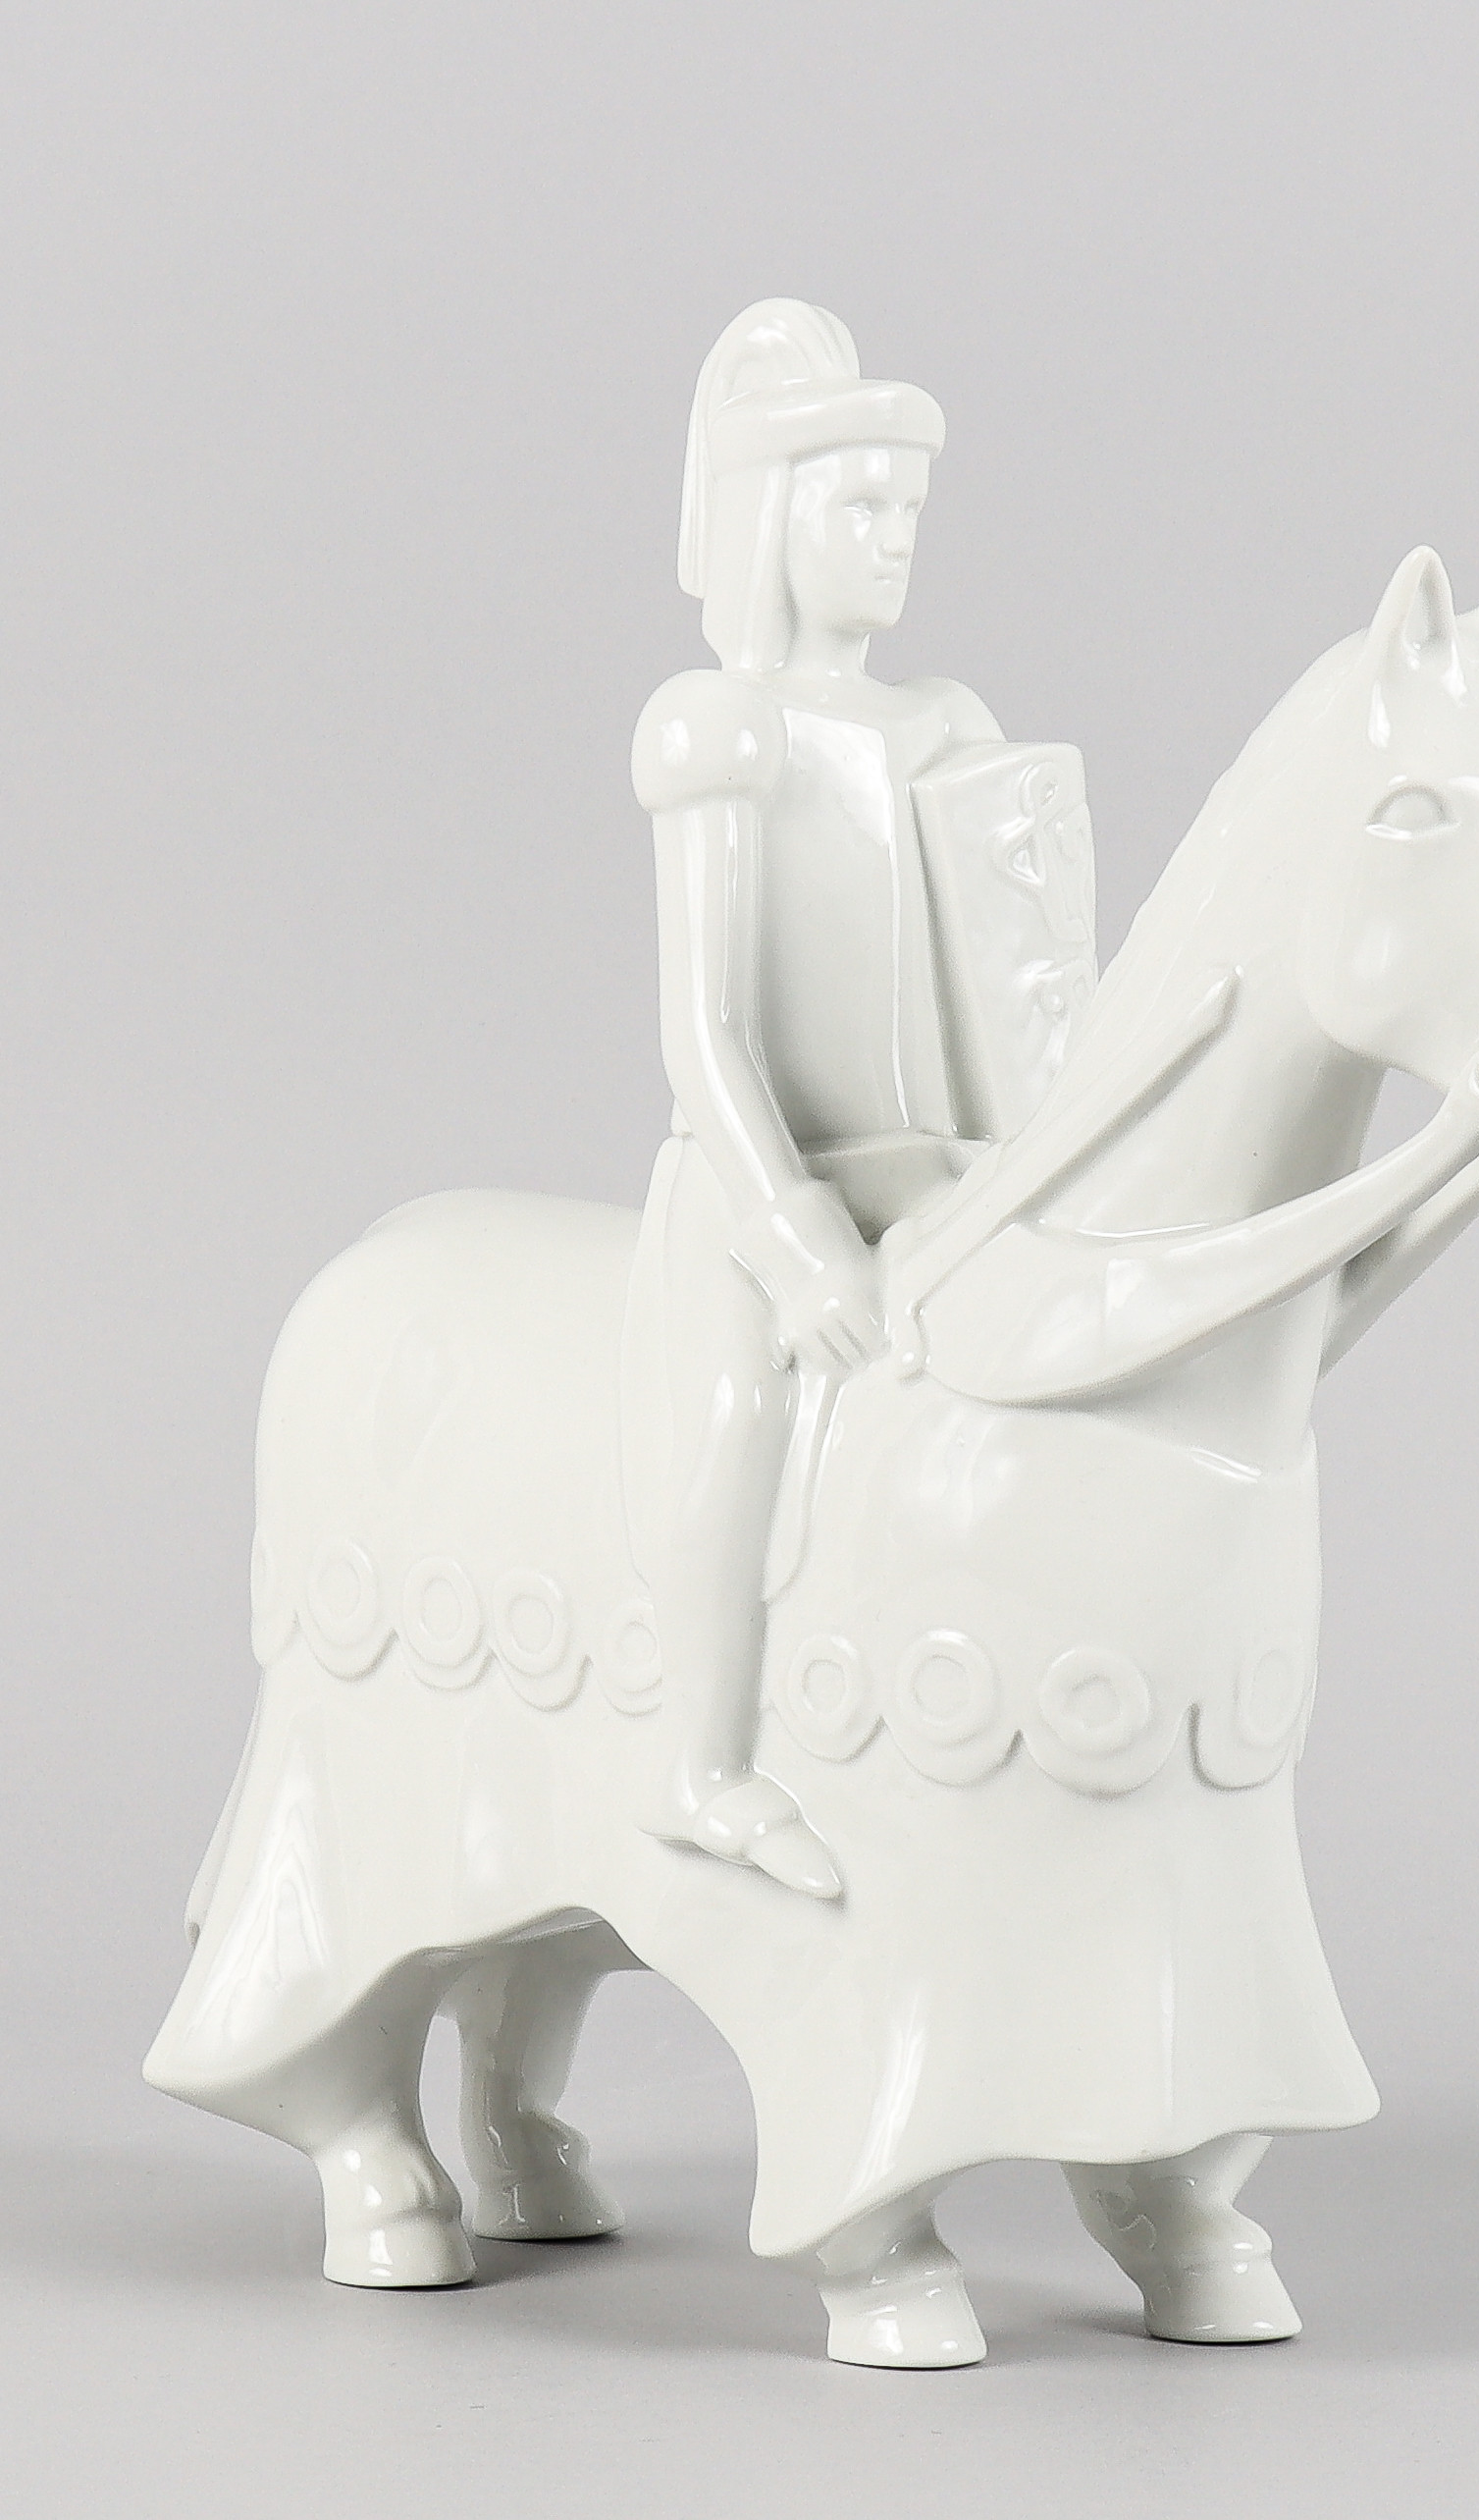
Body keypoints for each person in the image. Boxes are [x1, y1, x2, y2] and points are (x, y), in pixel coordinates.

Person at [622, 300, 1010, 1898]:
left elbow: (1011, 989)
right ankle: (701, 1764)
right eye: (861, 506)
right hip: (764, 1175)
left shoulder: (948, 726)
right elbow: (706, 1030)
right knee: (740, 1418)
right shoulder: (719, 730)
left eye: (909, 508)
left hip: (941, 1165)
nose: (896, 538)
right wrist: (791, 1238)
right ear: (773, 517)